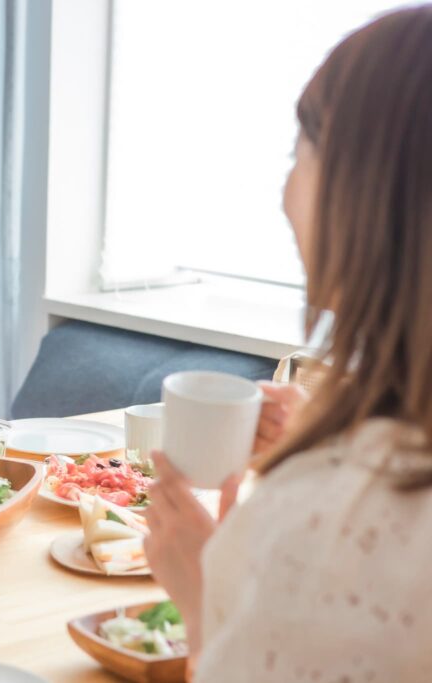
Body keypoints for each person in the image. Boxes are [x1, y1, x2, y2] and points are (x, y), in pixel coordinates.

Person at [144, 7, 432, 680]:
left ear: (362, 193)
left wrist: (201, 591)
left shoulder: (324, 526)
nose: (283, 193)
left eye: (297, 154)